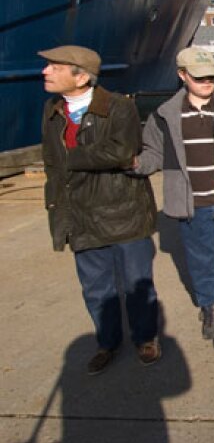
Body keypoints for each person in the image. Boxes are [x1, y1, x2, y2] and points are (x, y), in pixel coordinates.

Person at [40, 45, 161, 375]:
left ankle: (145, 338)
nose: (45, 72)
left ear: (81, 77)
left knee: (137, 284)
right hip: (79, 216)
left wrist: (70, 159)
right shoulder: (53, 110)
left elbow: (121, 152)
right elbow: (51, 164)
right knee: (96, 289)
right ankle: (107, 342)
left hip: (123, 213)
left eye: (54, 67)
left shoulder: (119, 108)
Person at [134, 47, 214, 350]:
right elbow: (152, 152)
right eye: (199, 77)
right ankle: (210, 306)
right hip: (191, 205)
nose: (208, 82)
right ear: (182, 75)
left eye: (212, 77)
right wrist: (134, 165)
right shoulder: (165, 116)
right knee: (200, 263)